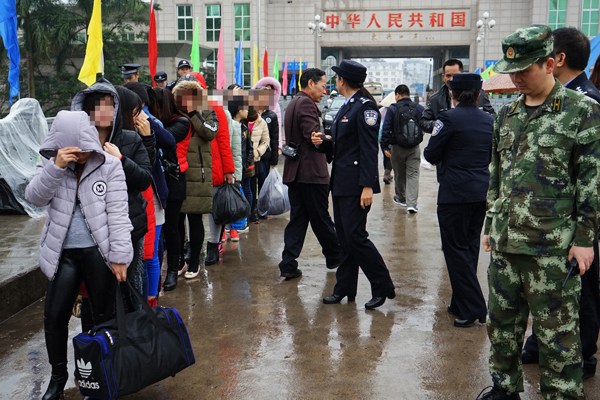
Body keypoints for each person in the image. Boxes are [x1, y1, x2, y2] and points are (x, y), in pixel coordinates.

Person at [478, 25, 600, 400]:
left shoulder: (583, 112)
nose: (516, 78)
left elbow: (592, 183)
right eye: (512, 71)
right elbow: (497, 176)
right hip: (506, 246)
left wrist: (584, 241)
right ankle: (505, 389)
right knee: (501, 329)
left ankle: (561, 395)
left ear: (550, 63)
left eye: (525, 70)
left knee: (558, 338)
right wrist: (489, 224)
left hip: (552, 251)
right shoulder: (508, 114)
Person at [26, 110, 133, 400]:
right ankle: (59, 377)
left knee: (103, 317)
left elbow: (119, 213)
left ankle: (101, 373)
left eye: (85, 147)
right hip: (63, 253)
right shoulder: (51, 163)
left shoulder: (109, 165)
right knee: (54, 315)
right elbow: (34, 197)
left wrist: (121, 254)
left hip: (99, 252)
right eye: (75, 149)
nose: (82, 154)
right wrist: (56, 167)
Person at [521, 26, 600, 379]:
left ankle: (583, 355)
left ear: (559, 59)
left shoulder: (586, 102)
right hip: (549, 221)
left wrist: (585, 233)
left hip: (577, 219)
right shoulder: (551, 98)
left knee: (580, 288)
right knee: (549, 284)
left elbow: (591, 175)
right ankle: (542, 343)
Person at [312, 60, 395, 309]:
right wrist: (324, 142)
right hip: (341, 183)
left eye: (336, 77)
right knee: (345, 238)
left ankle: (382, 285)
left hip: (357, 185)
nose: (334, 81)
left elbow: (369, 150)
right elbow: (343, 146)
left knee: (356, 237)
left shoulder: (365, 107)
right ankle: (345, 287)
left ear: (343, 80)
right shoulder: (347, 106)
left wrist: (368, 186)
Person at [72, 81, 153, 314]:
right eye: (99, 106)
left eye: (110, 105)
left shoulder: (129, 139)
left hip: (129, 224)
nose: (105, 112)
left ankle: (136, 333)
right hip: (90, 229)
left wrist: (121, 160)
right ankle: (98, 341)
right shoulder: (76, 143)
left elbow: (144, 179)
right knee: (95, 290)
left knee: (130, 283)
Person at [423, 73, 492, 328]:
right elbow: (490, 155)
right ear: (477, 95)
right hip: (480, 192)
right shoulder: (489, 120)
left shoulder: (447, 118)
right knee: (470, 247)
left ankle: (474, 306)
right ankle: (460, 301)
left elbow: (430, 154)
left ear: (452, 94)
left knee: (454, 249)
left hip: (454, 194)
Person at [279, 68, 342, 280]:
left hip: (297, 172)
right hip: (310, 173)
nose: (325, 91)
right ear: (311, 84)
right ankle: (336, 256)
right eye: (323, 85)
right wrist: (333, 142)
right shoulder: (306, 104)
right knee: (321, 218)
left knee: (299, 219)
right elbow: (314, 136)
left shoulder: (294, 102)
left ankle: (288, 263)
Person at [171, 79, 218, 279]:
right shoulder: (172, 114)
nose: (188, 99)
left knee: (195, 218)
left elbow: (210, 133)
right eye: (184, 95)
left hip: (198, 173)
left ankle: (194, 262)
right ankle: (180, 260)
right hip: (178, 171)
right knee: (177, 220)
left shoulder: (207, 112)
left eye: (192, 95)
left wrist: (193, 114)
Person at [154, 87, 191, 291]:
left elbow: (164, 138)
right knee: (164, 227)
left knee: (172, 226)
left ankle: (173, 269)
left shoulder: (182, 122)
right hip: (159, 178)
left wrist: (148, 120)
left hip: (174, 179)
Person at [381, 84, 424, 213]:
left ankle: (402, 197)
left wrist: (385, 146)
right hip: (414, 147)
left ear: (397, 95)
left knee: (399, 174)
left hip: (397, 147)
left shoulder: (393, 109)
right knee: (413, 174)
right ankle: (412, 203)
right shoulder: (419, 108)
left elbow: (386, 128)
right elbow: (425, 124)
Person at [420, 59, 494, 133]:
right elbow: (423, 122)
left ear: (462, 75)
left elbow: (492, 116)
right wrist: (442, 125)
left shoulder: (479, 94)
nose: (451, 79)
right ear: (443, 77)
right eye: (448, 75)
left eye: (455, 75)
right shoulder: (435, 99)